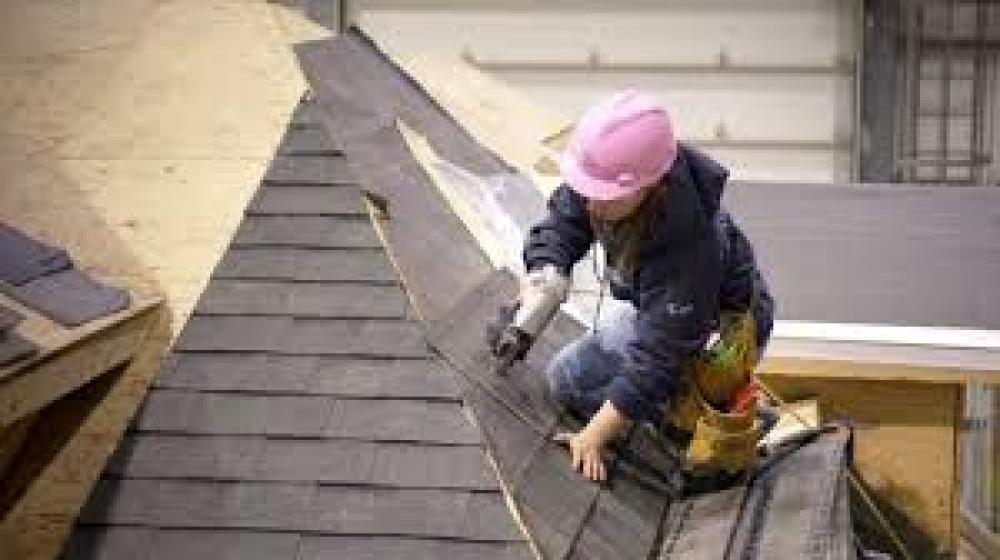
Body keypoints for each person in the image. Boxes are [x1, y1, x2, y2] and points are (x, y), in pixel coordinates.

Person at [520, 90, 775, 482]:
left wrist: (593, 437)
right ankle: (674, 409)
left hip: (717, 331)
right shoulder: (606, 178)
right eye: (588, 190)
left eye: (603, 196)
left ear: (649, 186)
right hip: (660, 310)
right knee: (568, 380)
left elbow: (658, 356)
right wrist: (546, 271)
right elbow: (565, 221)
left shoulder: (692, 248)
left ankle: (709, 413)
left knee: (598, 389)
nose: (591, 205)